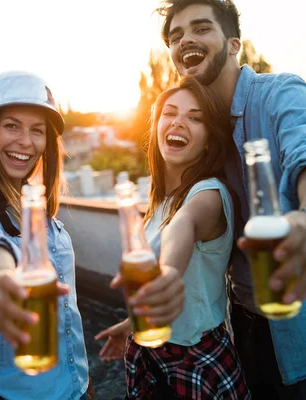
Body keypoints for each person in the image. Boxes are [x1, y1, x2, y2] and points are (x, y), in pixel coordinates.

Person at [157, 0, 306, 398]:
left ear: (234, 44)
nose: (186, 38)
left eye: (201, 28)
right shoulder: (200, 125)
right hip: (248, 322)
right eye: (176, 36)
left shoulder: (280, 93)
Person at [0, 71, 185, 400]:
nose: (26, 141)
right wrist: (3, 278)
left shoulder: (35, 205)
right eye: (11, 125)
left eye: (37, 130)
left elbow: (67, 316)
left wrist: (82, 383)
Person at [96, 77, 250, 399]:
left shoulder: (209, 193)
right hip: (152, 355)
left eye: (195, 118)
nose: (179, 122)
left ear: (209, 139)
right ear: (156, 125)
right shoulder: (158, 202)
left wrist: (166, 275)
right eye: (170, 112)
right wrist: (132, 324)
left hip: (196, 363)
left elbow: (184, 224)